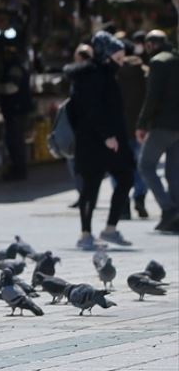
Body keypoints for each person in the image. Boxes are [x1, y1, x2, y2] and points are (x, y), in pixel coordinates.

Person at [65, 32, 135, 250]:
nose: (121, 62)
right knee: (90, 189)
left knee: (125, 177)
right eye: (118, 57)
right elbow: (92, 110)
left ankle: (110, 229)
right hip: (95, 141)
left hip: (109, 141)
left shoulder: (105, 73)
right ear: (106, 55)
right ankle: (86, 235)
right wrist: (106, 136)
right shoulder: (92, 76)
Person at [137, 29, 179, 233]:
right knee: (174, 172)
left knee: (145, 165)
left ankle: (169, 209)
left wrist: (142, 124)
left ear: (151, 45)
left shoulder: (158, 63)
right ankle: (176, 213)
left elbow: (152, 97)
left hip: (163, 124)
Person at [114, 36, 149, 218]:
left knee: (118, 168)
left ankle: (123, 204)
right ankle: (140, 197)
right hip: (140, 129)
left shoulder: (115, 78)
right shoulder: (145, 77)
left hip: (118, 129)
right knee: (141, 167)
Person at [0, 42, 33, 181]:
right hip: (14, 110)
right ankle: (17, 169)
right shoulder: (14, 67)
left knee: (16, 142)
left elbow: (11, 88)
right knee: (14, 141)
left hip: (16, 111)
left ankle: (19, 170)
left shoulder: (15, 69)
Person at [66, 43, 92, 210]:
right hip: (78, 126)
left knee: (80, 162)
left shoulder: (91, 77)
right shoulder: (76, 77)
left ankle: (86, 194)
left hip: (86, 127)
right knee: (74, 161)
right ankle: (84, 194)